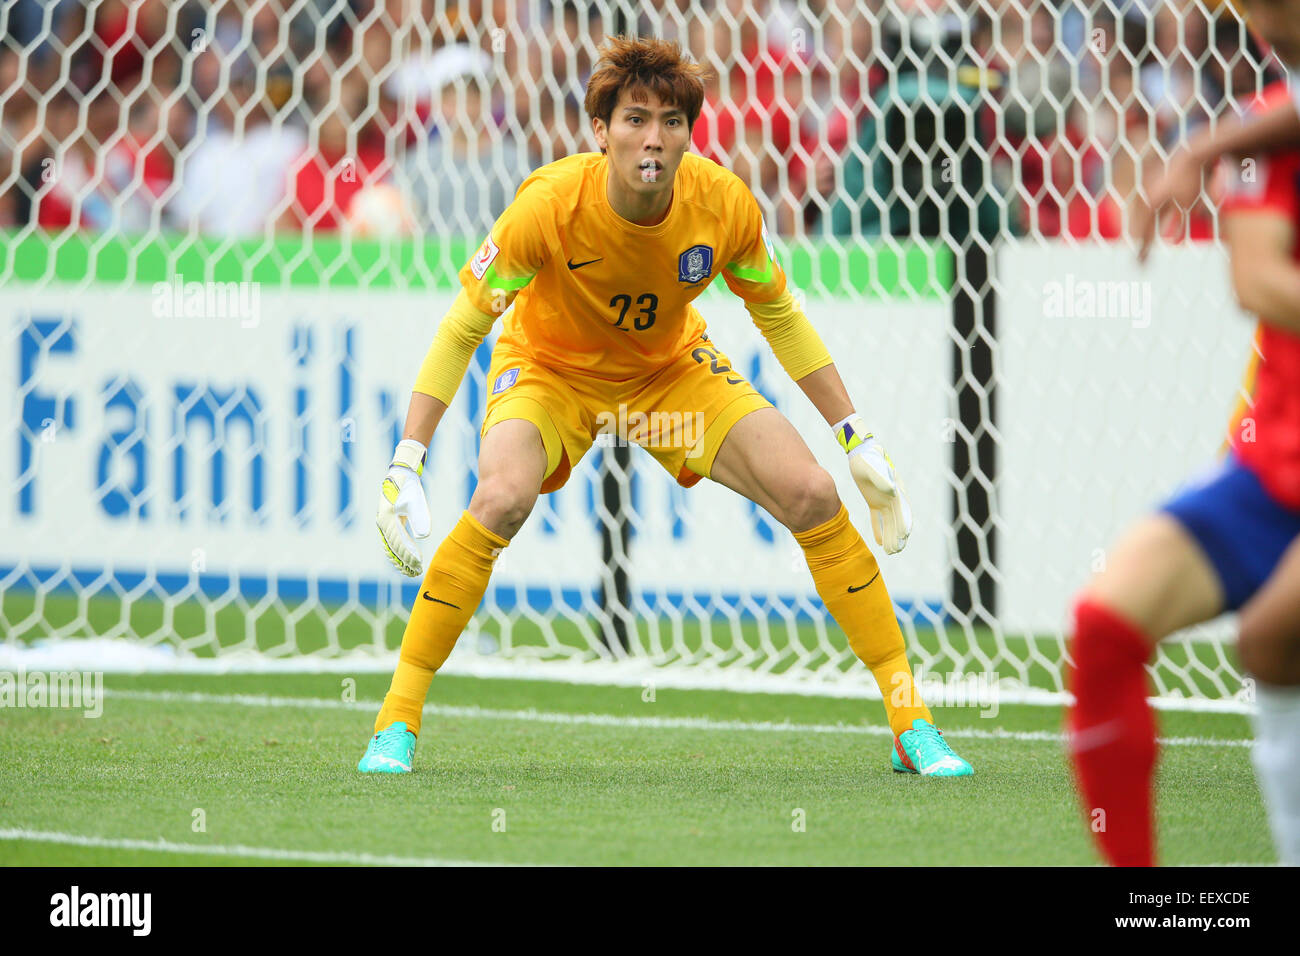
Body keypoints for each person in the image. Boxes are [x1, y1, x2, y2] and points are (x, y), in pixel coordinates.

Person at [358, 36, 973, 778]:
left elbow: (779, 314)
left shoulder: (722, 205)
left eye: (672, 122)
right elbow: (465, 325)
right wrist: (407, 459)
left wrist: (854, 434)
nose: (654, 138)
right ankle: (396, 721)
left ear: (689, 132)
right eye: (635, 119)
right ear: (600, 131)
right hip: (552, 376)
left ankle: (912, 722)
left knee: (812, 493)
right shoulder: (549, 203)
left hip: (667, 382)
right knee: (501, 497)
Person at [1069, 78, 1300, 866]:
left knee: (1272, 637)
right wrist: (1214, 145)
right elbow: (1257, 280)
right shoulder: (1260, 127)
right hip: (1275, 465)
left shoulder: (1245, 134)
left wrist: (1205, 147)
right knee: (1104, 627)